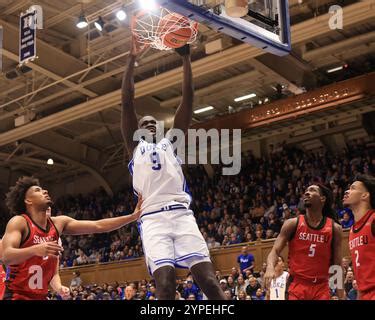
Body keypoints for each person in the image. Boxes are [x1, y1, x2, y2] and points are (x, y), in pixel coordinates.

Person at [121, 35, 225, 300]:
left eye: (154, 122)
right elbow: (127, 101)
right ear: (137, 130)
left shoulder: (171, 144)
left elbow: (187, 100)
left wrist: (186, 58)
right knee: (165, 284)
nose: (151, 124)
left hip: (181, 215)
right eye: (145, 123)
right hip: (153, 219)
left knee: (209, 282)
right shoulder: (136, 149)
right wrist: (132, 60)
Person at [1, 176, 142, 300]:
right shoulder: (19, 222)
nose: (45, 191)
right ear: (28, 200)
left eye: (43, 189)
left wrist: (132, 217)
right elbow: (6, 256)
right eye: (38, 190)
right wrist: (35, 250)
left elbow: (98, 226)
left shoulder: (58, 223)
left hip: (41, 296)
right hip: (16, 295)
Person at [265, 184, 343, 300]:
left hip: (321, 287)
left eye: (312, 190)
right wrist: (270, 267)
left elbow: (337, 264)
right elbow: (275, 251)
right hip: (296, 286)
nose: (307, 193)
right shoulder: (292, 224)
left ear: (322, 199)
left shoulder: (334, 228)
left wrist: (340, 292)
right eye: (306, 191)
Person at [343, 174, 375, 300]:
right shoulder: (352, 230)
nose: (347, 191)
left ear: (365, 195)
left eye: (353, 188)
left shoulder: (373, 220)